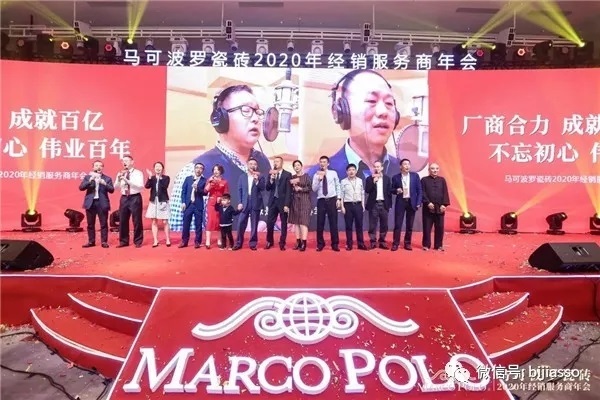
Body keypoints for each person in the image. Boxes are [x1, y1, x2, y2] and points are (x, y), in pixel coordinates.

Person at [169, 85, 271, 232]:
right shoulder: (193, 171)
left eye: (257, 112)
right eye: (246, 110)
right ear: (221, 119)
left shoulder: (264, 162)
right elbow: (184, 234)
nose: (255, 119)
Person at [308, 69, 402, 180]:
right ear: (341, 111)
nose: (383, 112)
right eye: (371, 101)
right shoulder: (318, 175)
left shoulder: (403, 171)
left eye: (389, 103)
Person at [79, 160, 114, 248]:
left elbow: (112, 190)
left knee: (103, 224)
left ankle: (104, 242)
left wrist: (104, 183)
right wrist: (90, 181)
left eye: (100, 166)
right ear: (93, 167)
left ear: (102, 168)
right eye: (96, 165)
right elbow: (81, 188)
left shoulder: (107, 178)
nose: (98, 167)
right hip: (91, 203)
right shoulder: (88, 177)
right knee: (90, 224)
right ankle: (91, 241)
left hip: (102, 203)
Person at [233, 158, 265, 251]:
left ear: (256, 166)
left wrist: (257, 181)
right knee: (240, 223)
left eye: (254, 164)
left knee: (254, 224)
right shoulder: (242, 176)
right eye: (250, 164)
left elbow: (263, 188)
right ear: (247, 165)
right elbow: (239, 190)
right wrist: (240, 202)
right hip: (245, 202)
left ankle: (253, 243)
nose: (252, 166)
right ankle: (238, 243)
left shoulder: (260, 176)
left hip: (255, 202)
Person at [391, 159, 422, 251]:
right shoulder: (395, 177)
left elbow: (419, 190)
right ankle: (395, 243)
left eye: (408, 164)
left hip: (411, 202)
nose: (407, 166)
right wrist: (396, 190)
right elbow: (391, 190)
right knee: (398, 224)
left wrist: (418, 202)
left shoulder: (415, 176)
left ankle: (407, 243)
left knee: (410, 225)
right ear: (400, 166)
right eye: (405, 164)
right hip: (400, 202)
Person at [312, 156, 341, 252]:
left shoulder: (333, 173)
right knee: (320, 223)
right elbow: (314, 189)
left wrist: (339, 198)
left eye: (324, 162)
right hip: (321, 200)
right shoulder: (316, 175)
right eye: (321, 162)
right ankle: (320, 244)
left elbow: (338, 186)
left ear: (328, 164)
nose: (322, 164)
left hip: (332, 199)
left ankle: (335, 244)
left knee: (333, 223)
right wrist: (319, 179)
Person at [115, 155, 145, 248]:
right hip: (124, 197)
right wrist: (119, 179)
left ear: (132, 162)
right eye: (123, 161)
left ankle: (138, 241)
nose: (125, 162)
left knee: (137, 220)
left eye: (127, 160)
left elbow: (140, 186)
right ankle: (123, 241)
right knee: (123, 220)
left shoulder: (138, 173)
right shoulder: (120, 173)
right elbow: (115, 187)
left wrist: (127, 180)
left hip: (135, 197)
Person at [421, 163, 450, 251]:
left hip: (440, 208)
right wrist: (427, 202)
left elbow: (445, 192)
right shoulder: (424, 180)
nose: (435, 170)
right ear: (429, 170)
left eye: (437, 168)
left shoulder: (442, 180)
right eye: (433, 168)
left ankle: (439, 245)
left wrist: (444, 204)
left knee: (440, 227)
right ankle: (426, 245)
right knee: (427, 227)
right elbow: (422, 192)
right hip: (428, 208)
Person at [265, 156, 292, 250]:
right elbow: (267, 188)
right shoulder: (271, 173)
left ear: (282, 163)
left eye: (277, 161)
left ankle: (282, 243)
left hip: (283, 202)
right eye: (274, 162)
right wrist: (271, 179)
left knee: (284, 223)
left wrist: (287, 204)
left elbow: (289, 190)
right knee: (269, 222)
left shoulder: (287, 174)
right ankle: (269, 241)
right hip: (273, 201)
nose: (275, 163)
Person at [364, 161, 392, 249]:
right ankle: (373, 241)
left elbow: (389, 192)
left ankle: (382, 241)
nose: (376, 168)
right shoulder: (369, 178)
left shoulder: (387, 179)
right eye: (375, 167)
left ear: (382, 168)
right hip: (374, 204)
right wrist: (373, 182)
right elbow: (367, 190)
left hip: (384, 204)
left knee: (384, 224)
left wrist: (389, 205)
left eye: (378, 167)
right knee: (372, 224)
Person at [340, 163, 367, 251]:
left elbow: (362, 193)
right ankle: (349, 244)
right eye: (349, 170)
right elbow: (341, 195)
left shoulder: (360, 180)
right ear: (346, 172)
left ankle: (361, 244)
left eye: (353, 170)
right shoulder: (343, 181)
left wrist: (363, 204)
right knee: (348, 226)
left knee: (359, 225)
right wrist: (342, 206)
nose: (351, 172)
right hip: (348, 205)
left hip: (358, 205)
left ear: (356, 171)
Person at [144, 162, 171, 248]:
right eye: (156, 166)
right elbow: (147, 186)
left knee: (165, 221)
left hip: (163, 201)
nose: (158, 168)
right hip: (153, 201)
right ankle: (155, 240)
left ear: (162, 168)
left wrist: (159, 178)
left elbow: (164, 186)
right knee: (154, 221)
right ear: (154, 168)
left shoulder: (166, 178)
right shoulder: (152, 178)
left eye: (159, 166)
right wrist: (149, 177)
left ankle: (168, 239)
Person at [179, 162, 206, 249]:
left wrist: (197, 189)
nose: (198, 169)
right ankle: (184, 241)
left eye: (201, 168)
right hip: (188, 204)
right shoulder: (188, 179)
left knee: (198, 224)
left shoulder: (204, 180)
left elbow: (205, 193)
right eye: (197, 167)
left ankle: (197, 242)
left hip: (198, 205)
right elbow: (183, 191)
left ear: (203, 170)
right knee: (186, 224)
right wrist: (183, 202)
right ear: (194, 169)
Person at [288, 160, 312, 251]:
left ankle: (304, 243)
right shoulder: (292, 177)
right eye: (295, 166)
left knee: (303, 222)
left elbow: (310, 188)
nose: (297, 167)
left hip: (305, 201)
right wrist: (293, 188)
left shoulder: (306, 176)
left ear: (301, 166)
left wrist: (301, 189)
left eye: (298, 165)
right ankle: (298, 242)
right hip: (295, 202)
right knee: (296, 223)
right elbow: (289, 190)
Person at [204, 164, 229, 249]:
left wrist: (221, 198)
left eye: (217, 169)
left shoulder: (224, 182)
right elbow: (205, 191)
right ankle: (207, 241)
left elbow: (226, 194)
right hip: (211, 203)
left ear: (221, 171)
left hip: (221, 204)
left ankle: (219, 240)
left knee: (219, 221)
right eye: (214, 169)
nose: (216, 171)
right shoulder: (210, 180)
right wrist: (210, 182)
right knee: (210, 221)